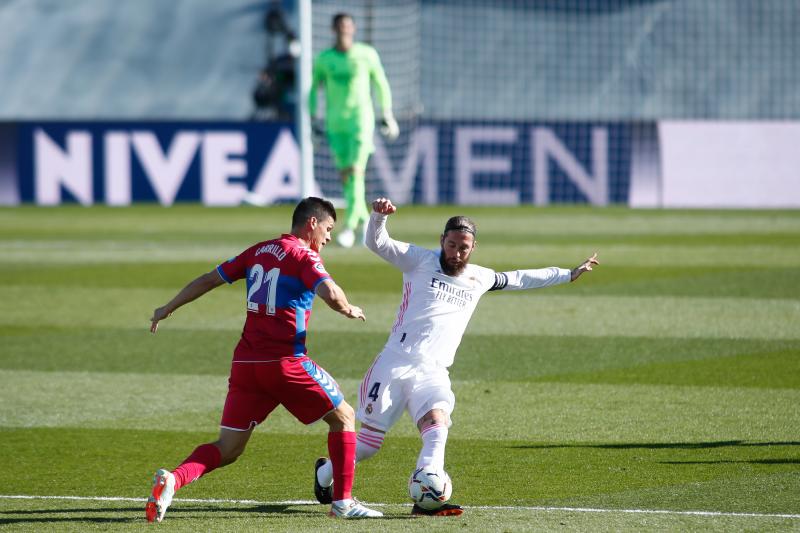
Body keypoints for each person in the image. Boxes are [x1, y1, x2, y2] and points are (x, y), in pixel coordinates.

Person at [313, 197, 599, 516]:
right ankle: (325, 473)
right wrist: (379, 216)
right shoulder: (419, 260)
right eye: (451, 245)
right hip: (395, 363)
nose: (456, 253)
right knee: (367, 446)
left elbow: (519, 278)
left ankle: (428, 495)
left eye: (463, 247)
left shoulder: (479, 278)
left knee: (438, 425)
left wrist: (568, 273)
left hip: (434, 371)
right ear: (442, 242)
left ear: (472, 248)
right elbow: (377, 243)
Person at [145, 197, 382, 521]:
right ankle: (343, 502)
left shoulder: (257, 251)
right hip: (285, 362)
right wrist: (347, 308)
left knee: (229, 448)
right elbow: (330, 291)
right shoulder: (302, 256)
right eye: (327, 229)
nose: (327, 238)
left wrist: (168, 307)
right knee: (344, 417)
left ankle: (173, 480)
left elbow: (208, 279)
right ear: (312, 223)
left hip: (246, 366)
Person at [308, 13, 399, 248]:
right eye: (340, 26)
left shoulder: (366, 55)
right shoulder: (324, 59)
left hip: (361, 121)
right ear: (333, 29)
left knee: (356, 171)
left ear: (353, 29)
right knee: (347, 177)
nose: (344, 30)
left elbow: (381, 83)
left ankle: (349, 225)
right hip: (335, 123)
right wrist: (313, 119)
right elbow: (312, 89)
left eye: (347, 26)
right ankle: (362, 220)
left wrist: (386, 113)